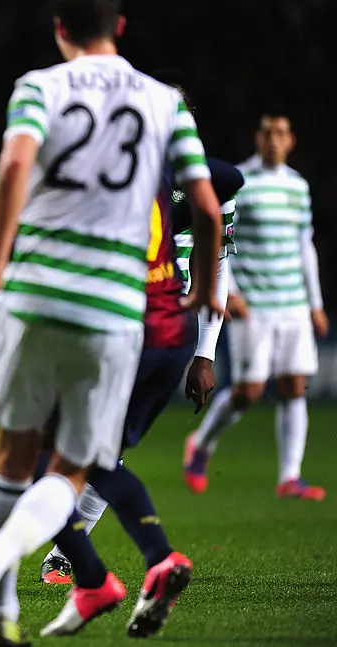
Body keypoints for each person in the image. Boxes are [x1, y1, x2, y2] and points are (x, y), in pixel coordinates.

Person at [0, 1, 223, 644]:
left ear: (59, 28)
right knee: (72, 468)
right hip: (113, 308)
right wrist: (204, 293)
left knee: (14, 459)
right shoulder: (165, 102)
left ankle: (3, 611)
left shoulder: (39, 87)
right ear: (120, 26)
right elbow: (208, 208)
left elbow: (15, 165)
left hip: (36, 294)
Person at [39, 74, 245, 590]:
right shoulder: (127, 174)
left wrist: (206, 351)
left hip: (151, 331)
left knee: (68, 444)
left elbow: (217, 266)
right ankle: (100, 555)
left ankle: (74, 556)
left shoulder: (204, 186)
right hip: (116, 323)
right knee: (97, 447)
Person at [184, 111, 327, 500]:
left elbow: (304, 245)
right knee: (248, 391)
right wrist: (234, 291)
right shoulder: (238, 181)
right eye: (268, 133)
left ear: (291, 140)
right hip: (254, 304)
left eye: (282, 132)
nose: (274, 140)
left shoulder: (298, 187)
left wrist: (315, 303)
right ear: (257, 138)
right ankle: (201, 445)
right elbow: (223, 242)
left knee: (294, 385)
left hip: (293, 302)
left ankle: (290, 477)